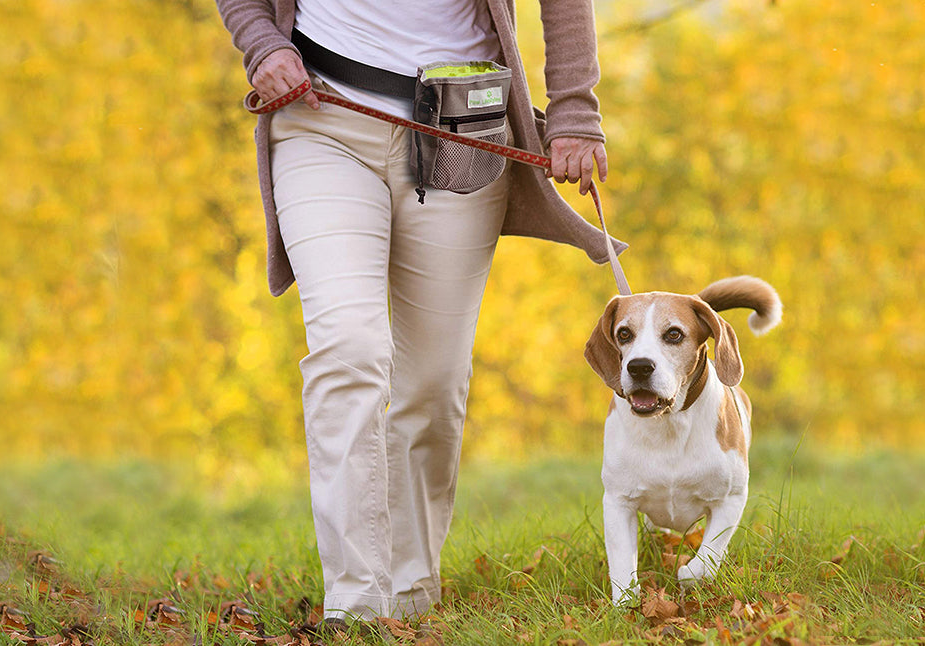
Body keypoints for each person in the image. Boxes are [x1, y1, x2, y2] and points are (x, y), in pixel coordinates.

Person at [215, 0, 624, 627]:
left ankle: (408, 597)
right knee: (348, 348)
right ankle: (355, 606)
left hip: (464, 128)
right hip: (321, 114)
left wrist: (574, 110)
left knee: (432, 382)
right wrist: (262, 41)